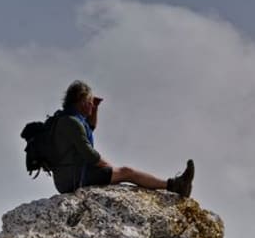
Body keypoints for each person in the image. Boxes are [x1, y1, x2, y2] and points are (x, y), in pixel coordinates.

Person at [50, 80, 195, 198]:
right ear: (81, 101)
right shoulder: (71, 122)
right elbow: (89, 154)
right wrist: (108, 166)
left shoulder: (69, 119)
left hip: (69, 176)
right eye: (89, 102)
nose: (92, 105)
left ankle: (175, 184)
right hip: (74, 179)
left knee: (123, 171)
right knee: (127, 172)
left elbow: (89, 128)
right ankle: (175, 185)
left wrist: (96, 109)